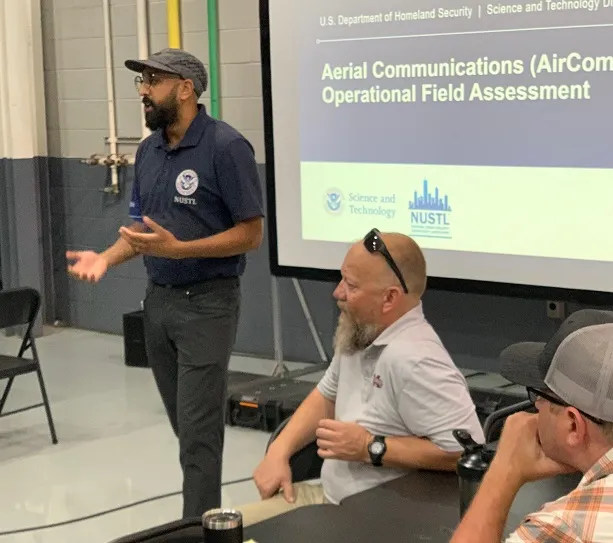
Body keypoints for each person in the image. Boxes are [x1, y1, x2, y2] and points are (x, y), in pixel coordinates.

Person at [65, 48, 264, 518]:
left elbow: (251, 235)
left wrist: (182, 250)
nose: (142, 92)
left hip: (207, 306)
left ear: (186, 89)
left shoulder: (226, 147)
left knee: (197, 435)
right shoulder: (149, 150)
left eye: (153, 81)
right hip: (158, 305)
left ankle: (199, 528)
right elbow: (142, 235)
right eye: (141, 82)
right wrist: (107, 258)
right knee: (188, 428)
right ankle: (206, 513)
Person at [237, 228, 484, 526]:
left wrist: (371, 446)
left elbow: (466, 451)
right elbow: (327, 395)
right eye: (341, 279)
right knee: (215, 530)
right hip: (329, 500)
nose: (337, 292)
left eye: (351, 286)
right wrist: (279, 452)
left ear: (389, 298)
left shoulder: (416, 359)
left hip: (376, 519)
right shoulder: (360, 330)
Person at [451, 309, 613, 543]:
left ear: (573, 425)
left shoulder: (567, 525)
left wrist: (504, 471)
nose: (536, 406)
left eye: (541, 396)